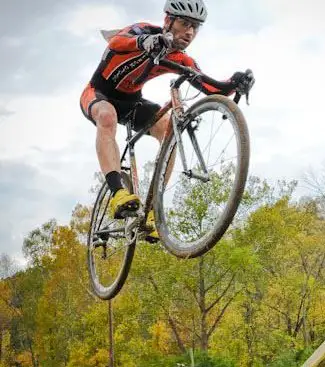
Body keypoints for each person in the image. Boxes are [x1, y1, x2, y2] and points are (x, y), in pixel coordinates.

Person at [80, 0, 254, 240]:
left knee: (170, 127)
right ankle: (118, 194)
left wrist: (234, 84)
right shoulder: (143, 31)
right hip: (98, 95)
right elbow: (117, 41)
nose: (190, 32)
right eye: (184, 23)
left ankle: (151, 208)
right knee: (107, 116)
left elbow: (211, 88)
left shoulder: (181, 58)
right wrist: (145, 42)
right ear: (167, 20)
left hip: (132, 103)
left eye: (195, 27)